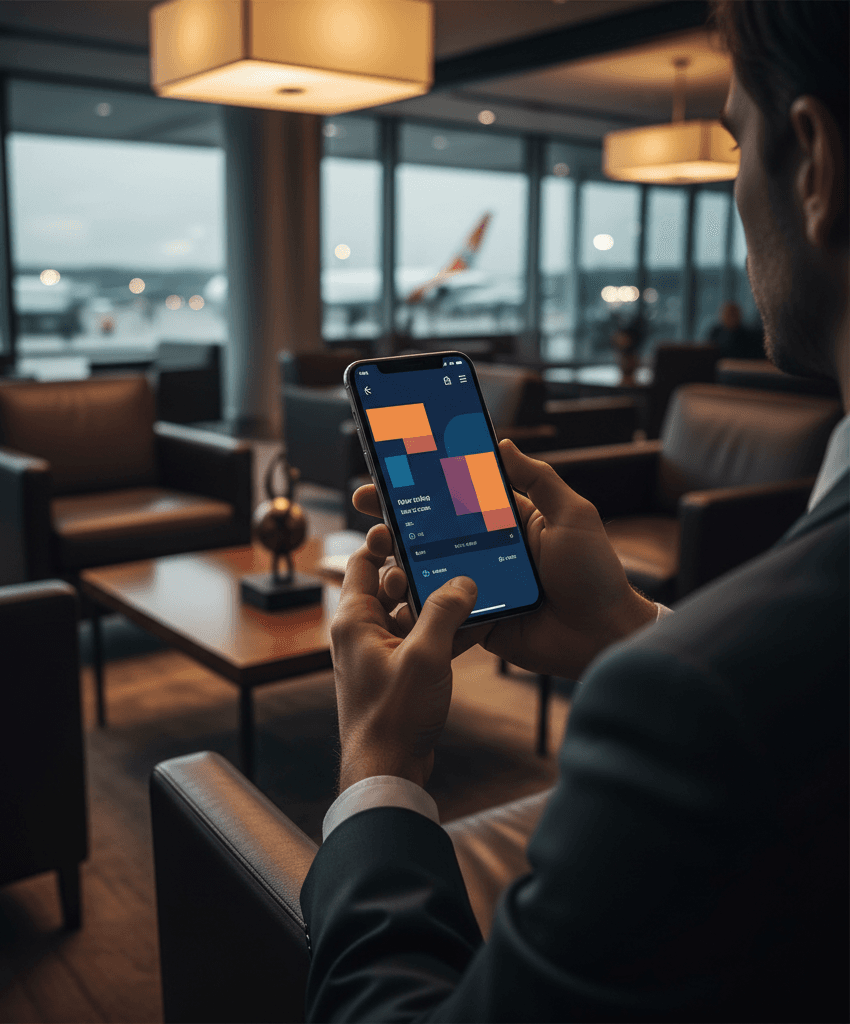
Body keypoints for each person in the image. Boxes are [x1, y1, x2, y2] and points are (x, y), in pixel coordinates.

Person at [300, 1, 849, 1020]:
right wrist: (629, 630)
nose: (735, 187)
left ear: (812, 163)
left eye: (735, 139)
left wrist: (378, 767)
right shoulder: (715, 679)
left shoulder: (690, 714)